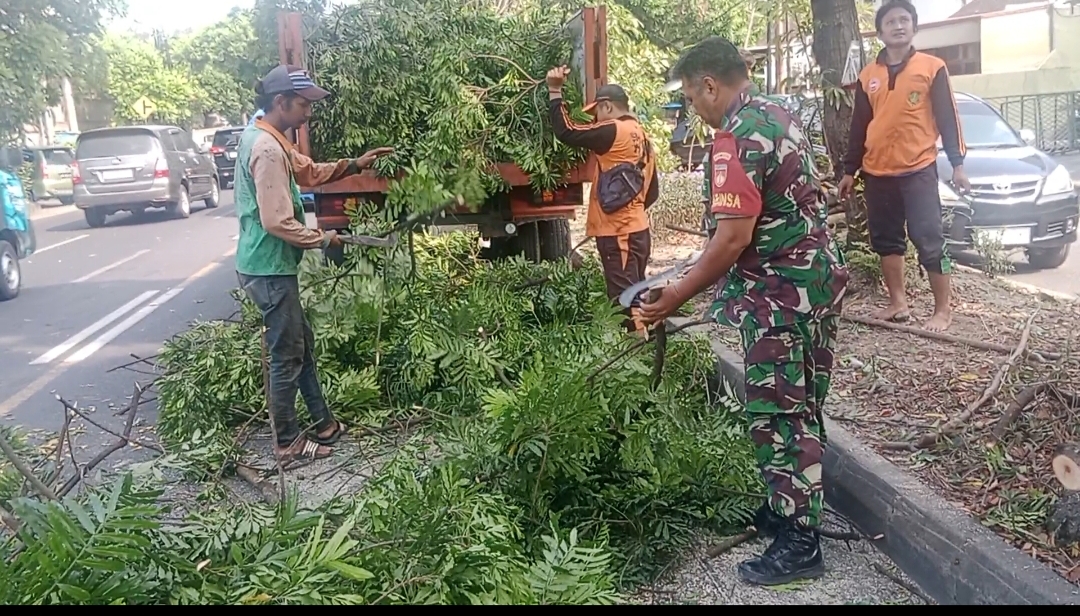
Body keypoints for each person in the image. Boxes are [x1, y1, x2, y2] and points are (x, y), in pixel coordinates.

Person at [638, 36, 849, 587]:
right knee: (803, 403)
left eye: (689, 96)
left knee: (778, 413)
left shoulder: (734, 138)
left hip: (780, 295)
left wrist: (674, 298)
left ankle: (800, 541)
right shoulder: (779, 114)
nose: (692, 108)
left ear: (710, 84)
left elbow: (732, 240)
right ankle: (788, 509)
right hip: (817, 283)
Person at [235, 65, 393, 463]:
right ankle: (287, 443)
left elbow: (307, 171)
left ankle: (323, 423)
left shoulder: (272, 139)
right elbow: (276, 221)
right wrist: (322, 238)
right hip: (268, 268)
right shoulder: (267, 149)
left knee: (300, 346)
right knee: (287, 353)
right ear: (280, 103)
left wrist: (355, 164)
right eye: (303, 104)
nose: (309, 111)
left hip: (271, 266)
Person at [838, 0, 969, 332]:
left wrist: (958, 163)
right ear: (880, 32)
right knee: (886, 239)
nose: (898, 25)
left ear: (914, 27)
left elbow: (948, 118)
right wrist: (849, 170)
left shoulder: (932, 67)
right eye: (891, 21)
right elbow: (859, 127)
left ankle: (943, 310)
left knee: (929, 237)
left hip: (919, 168)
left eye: (905, 20)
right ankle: (898, 303)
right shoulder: (869, 75)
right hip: (877, 171)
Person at [545, 67, 659, 333]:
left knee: (624, 300)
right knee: (636, 290)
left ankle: (635, 357)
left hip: (619, 233)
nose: (595, 119)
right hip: (638, 230)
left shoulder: (611, 130)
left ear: (606, 107)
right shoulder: (644, 137)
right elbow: (652, 191)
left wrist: (554, 90)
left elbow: (568, 132)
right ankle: (649, 347)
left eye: (596, 112)